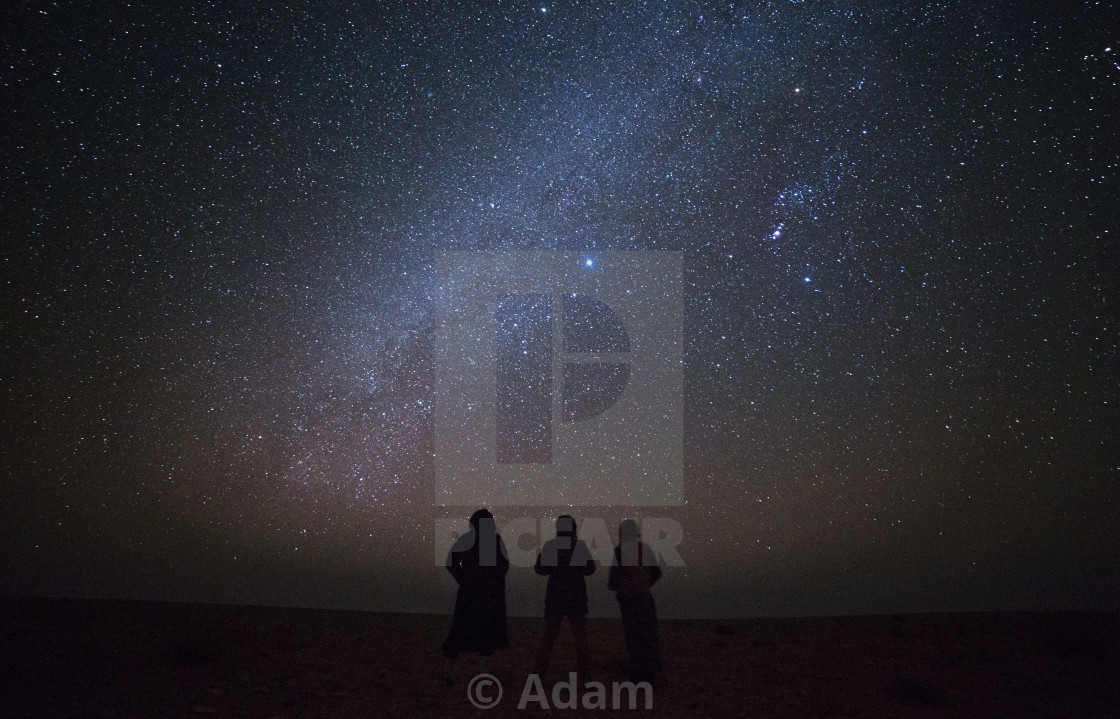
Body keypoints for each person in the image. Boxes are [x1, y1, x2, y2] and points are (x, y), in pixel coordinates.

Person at [442, 508, 509, 683]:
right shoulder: (493, 540)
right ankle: (478, 672)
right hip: (482, 593)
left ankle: (450, 671)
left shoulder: (469, 539)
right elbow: (504, 565)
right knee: (481, 632)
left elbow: (451, 562)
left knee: (465, 631)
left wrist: (463, 579)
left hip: (474, 593)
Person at [532, 515, 597, 678]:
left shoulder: (551, 546)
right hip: (576, 597)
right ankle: (585, 675)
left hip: (555, 597)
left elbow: (540, 569)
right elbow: (590, 569)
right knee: (580, 639)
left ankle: (539, 674)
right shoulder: (578, 546)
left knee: (549, 638)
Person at [607, 519, 662, 683]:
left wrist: (616, 587)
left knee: (633, 635)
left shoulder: (620, 551)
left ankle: (638, 674)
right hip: (645, 596)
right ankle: (651, 673)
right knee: (649, 634)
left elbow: (614, 577)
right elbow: (656, 573)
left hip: (629, 599)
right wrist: (645, 583)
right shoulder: (645, 549)